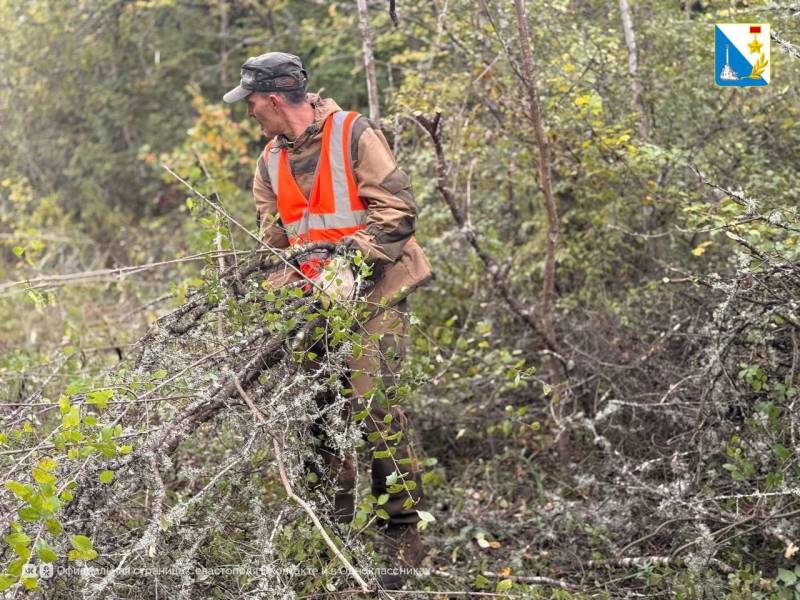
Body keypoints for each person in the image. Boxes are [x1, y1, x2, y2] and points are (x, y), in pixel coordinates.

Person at [223, 51, 433, 589]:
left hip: (374, 298)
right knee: (318, 419)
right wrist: (274, 295)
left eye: (250, 102)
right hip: (311, 306)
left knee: (374, 411)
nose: (248, 112)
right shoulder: (269, 161)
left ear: (273, 98)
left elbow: (399, 212)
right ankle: (331, 538)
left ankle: (399, 542)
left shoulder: (353, 134)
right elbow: (273, 245)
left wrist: (349, 267)